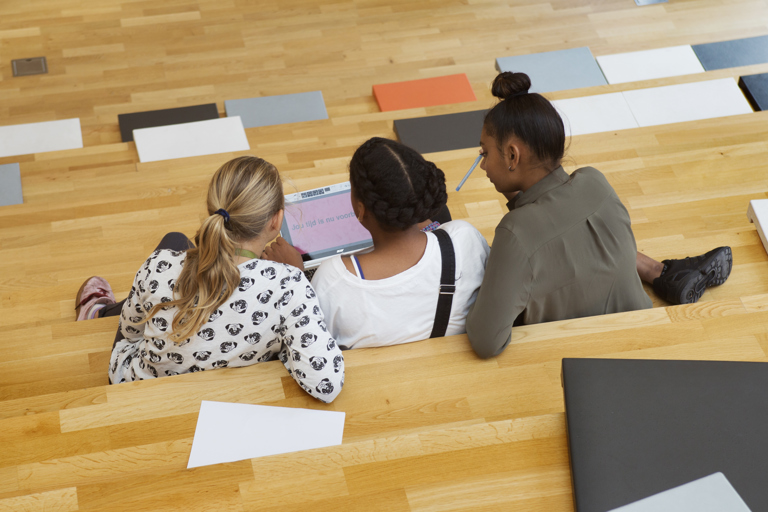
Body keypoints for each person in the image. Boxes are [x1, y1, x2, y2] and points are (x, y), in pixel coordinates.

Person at [466, 72, 732, 359]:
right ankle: (667, 274)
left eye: (484, 153)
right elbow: (554, 228)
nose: (482, 165)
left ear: (512, 155)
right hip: (652, 342)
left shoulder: (514, 232)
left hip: (585, 365)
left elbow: (486, 341)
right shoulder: (595, 182)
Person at [75, 156, 344, 403]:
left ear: (212, 208)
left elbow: (132, 332)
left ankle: (96, 312)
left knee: (174, 240)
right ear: (276, 221)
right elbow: (326, 385)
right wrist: (297, 280)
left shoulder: (160, 264)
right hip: (231, 400)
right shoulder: (289, 286)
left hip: (143, 392)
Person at [265, 137, 490, 349]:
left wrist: (295, 277)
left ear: (361, 210)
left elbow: (306, 342)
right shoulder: (464, 239)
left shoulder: (333, 281)